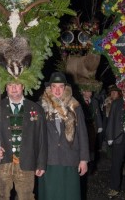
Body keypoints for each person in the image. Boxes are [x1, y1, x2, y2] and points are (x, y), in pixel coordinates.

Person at [0, 82, 47, 200]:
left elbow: (42, 138)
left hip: (27, 163)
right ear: (6, 87)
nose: (14, 88)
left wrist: (41, 163)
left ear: (23, 86)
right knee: (0, 197)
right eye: (10, 85)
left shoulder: (36, 109)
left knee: (27, 197)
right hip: (1, 163)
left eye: (17, 84)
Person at [38, 72, 89, 200]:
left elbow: (83, 134)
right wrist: (37, 161)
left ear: (66, 88)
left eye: (61, 86)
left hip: (70, 159)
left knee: (69, 195)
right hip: (48, 160)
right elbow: (35, 136)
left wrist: (84, 159)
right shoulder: (40, 106)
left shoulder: (75, 106)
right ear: (49, 88)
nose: (57, 90)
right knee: (50, 195)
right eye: (54, 86)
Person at [80, 89, 103, 174]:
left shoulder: (94, 101)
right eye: (88, 91)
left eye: (91, 91)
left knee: (92, 147)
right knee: (84, 145)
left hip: (92, 127)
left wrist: (100, 125)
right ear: (83, 92)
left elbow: (98, 114)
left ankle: (91, 167)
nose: (90, 93)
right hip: (83, 126)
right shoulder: (78, 100)